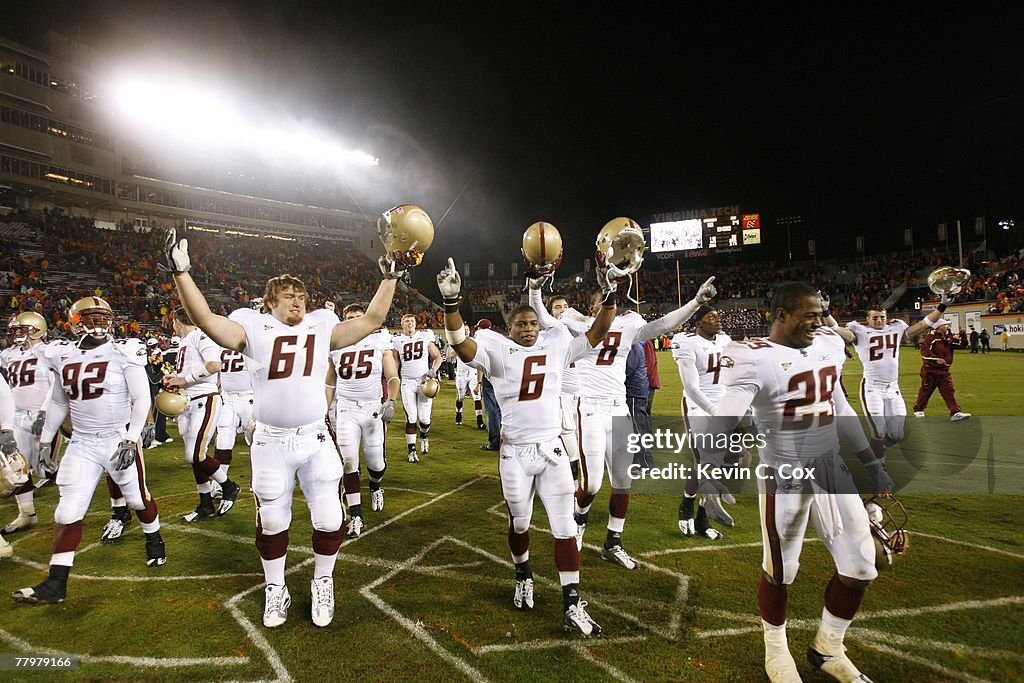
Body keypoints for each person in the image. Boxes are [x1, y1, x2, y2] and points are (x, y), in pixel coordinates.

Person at [164, 227, 410, 628]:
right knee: (274, 519)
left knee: (331, 518)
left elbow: (373, 319)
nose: (298, 301)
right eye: (289, 296)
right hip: (271, 441)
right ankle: (275, 587)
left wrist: (390, 276)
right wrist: (182, 274)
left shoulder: (321, 325)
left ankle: (322, 580)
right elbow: (206, 319)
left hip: (315, 437)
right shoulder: (252, 327)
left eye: (302, 296)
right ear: (270, 302)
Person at [702, 283, 893, 682]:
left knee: (861, 565)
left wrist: (871, 462)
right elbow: (724, 418)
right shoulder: (752, 358)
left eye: (821, 314)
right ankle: (776, 651)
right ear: (781, 315)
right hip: (783, 473)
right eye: (809, 315)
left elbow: (838, 405)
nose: (819, 322)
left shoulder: (826, 343)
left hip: (831, 468)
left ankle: (828, 648)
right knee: (779, 570)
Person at [438, 257, 615, 635]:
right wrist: (452, 304)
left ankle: (572, 603)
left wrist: (614, 296)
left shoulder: (556, 345)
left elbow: (597, 334)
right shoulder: (498, 349)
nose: (529, 329)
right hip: (515, 454)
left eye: (533, 323)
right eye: (521, 324)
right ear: (510, 327)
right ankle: (523, 573)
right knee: (519, 522)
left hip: (551, 451)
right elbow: (461, 345)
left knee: (565, 527)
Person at [530, 275, 718, 569]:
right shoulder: (576, 323)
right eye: (603, 299)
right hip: (590, 408)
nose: (609, 303)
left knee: (623, 482)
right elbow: (542, 315)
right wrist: (535, 288)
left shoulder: (630, 323)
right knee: (591, 483)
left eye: (612, 298)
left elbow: (665, 324)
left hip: (618, 409)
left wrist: (696, 302)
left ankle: (613, 543)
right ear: (592, 307)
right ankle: (578, 521)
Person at [13, 297, 166, 604]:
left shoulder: (124, 350)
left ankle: (154, 538)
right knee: (67, 510)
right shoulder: (63, 353)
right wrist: (45, 440)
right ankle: (56, 583)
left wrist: (131, 437)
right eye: (91, 317)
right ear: (74, 321)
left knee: (136, 498)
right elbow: (58, 402)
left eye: (103, 317)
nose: (98, 323)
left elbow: (141, 398)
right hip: (81, 442)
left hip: (116, 437)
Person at [825, 295, 951, 457]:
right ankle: (877, 465)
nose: (879, 321)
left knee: (897, 435)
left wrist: (943, 305)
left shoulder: (896, 328)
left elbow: (924, 324)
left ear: (887, 318)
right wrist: (826, 312)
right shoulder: (859, 330)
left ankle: (872, 452)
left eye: (882, 317)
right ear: (868, 319)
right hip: (872, 388)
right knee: (879, 430)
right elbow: (837, 329)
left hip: (893, 388)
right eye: (875, 318)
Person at [326, 303, 399, 538]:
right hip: (346, 409)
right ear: (343, 320)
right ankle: (356, 515)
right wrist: (323, 409)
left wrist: (392, 400)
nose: (355, 321)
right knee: (349, 462)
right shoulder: (336, 344)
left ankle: (376, 485)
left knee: (376, 464)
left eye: (359, 317)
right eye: (350, 317)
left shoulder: (380, 341)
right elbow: (330, 383)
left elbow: (392, 375)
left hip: (372, 409)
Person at [163, 307, 242, 521]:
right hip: (188, 401)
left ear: (176, 321)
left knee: (195, 454)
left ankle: (228, 486)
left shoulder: (200, 334)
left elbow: (214, 364)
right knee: (194, 456)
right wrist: (175, 380)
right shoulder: (185, 341)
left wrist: (184, 380)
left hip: (204, 399)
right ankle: (205, 503)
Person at [671, 305, 731, 539]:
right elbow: (691, 387)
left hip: (723, 407)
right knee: (704, 462)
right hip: (698, 408)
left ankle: (703, 517)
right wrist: (714, 410)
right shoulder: (687, 343)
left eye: (718, 315)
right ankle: (686, 504)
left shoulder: (725, 340)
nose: (717, 319)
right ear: (698, 322)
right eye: (711, 316)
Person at [0, 312, 53, 536]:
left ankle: (73, 505)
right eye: (15, 330)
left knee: (44, 468)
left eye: (22, 329)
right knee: (18, 467)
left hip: (45, 415)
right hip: (17, 416)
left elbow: (55, 385)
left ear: (37, 328)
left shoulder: (48, 351)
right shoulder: (8, 354)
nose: (17, 334)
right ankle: (27, 513)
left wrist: (45, 411)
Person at [392, 313, 442, 462]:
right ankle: (411, 450)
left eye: (412, 321)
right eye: (406, 321)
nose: (410, 323)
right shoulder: (396, 340)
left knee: (425, 419)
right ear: (402, 324)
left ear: (415, 323)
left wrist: (433, 371)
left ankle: (424, 436)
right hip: (407, 382)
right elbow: (395, 363)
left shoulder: (425, 336)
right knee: (412, 417)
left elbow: (438, 357)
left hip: (424, 382)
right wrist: (394, 379)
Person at [913, 320, 970, 421]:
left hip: (944, 371)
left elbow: (962, 345)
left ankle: (955, 412)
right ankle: (919, 410)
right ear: (938, 326)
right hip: (930, 371)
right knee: (926, 391)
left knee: (949, 391)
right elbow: (925, 353)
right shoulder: (930, 338)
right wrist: (936, 359)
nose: (947, 326)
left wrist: (963, 334)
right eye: (945, 325)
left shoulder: (947, 338)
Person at [449, 325, 486, 430]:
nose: (466, 332)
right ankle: (458, 414)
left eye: (467, 330)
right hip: (461, 374)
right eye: (464, 330)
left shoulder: (474, 342)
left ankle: (479, 421)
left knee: (477, 396)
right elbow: (451, 355)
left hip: (473, 372)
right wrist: (460, 346)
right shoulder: (456, 342)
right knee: (460, 397)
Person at [625, 341, 653, 471]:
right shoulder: (635, 344)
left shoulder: (633, 346)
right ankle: (640, 462)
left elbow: (627, 370)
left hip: (634, 392)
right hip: (637, 390)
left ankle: (645, 463)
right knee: (638, 427)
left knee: (637, 428)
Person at [476, 319, 502, 451]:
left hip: (490, 379)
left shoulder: (481, 340)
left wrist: (479, 382)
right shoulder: (498, 339)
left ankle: (494, 442)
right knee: (503, 410)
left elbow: (480, 363)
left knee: (492, 412)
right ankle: (506, 440)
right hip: (504, 378)